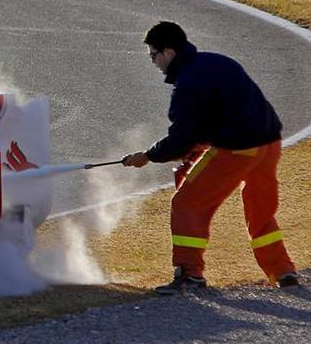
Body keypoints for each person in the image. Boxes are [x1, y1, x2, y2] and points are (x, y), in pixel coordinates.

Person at [122, 21, 299, 295]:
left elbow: (181, 139)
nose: (153, 62)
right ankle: (283, 271)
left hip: (238, 149)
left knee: (186, 203)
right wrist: (200, 145)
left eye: (153, 55)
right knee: (259, 209)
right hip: (269, 143)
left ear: (168, 52)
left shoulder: (188, 86)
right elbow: (226, 113)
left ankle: (189, 275)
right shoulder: (218, 63)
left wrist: (147, 156)